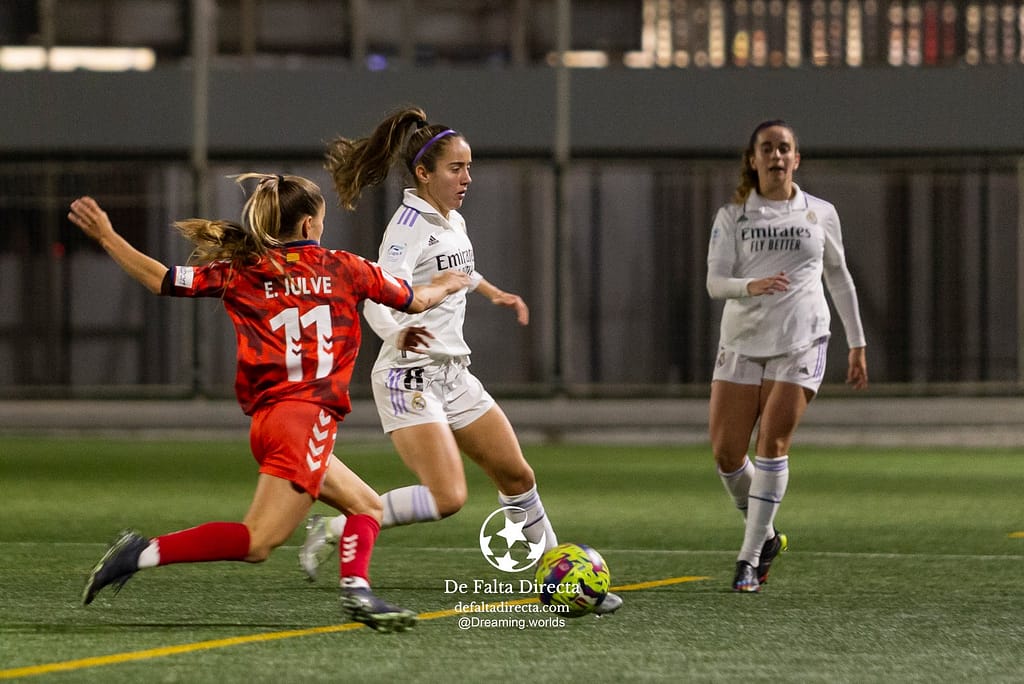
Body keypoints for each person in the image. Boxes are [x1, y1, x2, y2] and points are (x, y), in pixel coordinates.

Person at [70, 173, 469, 631]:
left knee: (367, 507)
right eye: (321, 218)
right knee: (258, 542)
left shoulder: (243, 270)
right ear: (307, 224)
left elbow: (161, 279)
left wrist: (108, 236)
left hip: (269, 424)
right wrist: (445, 284)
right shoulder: (344, 266)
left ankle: (358, 591)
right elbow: (415, 300)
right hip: (305, 420)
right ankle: (140, 552)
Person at [299, 106, 621, 615]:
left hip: (453, 374)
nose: (467, 177)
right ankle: (337, 525)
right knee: (446, 498)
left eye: (469, 167)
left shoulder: (451, 219)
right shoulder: (406, 228)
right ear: (423, 173)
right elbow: (375, 298)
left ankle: (560, 576)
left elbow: (457, 269)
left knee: (517, 476)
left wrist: (493, 292)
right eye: (456, 168)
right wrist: (399, 333)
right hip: (409, 377)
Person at [707, 120, 869, 592]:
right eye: (767, 148)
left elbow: (838, 276)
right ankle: (767, 535)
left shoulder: (820, 213)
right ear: (753, 159)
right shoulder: (733, 216)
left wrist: (857, 342)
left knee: (772, 444)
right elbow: (715, 283)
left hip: (803, 338)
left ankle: (748, 558)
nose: (776, 156)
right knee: (726, 454)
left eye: (784, 148)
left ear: (796, 159)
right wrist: (749, 286)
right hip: (742, 341)